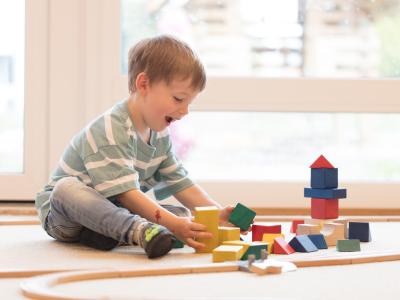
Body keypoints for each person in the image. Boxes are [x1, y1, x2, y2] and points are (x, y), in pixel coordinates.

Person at [35, 35, 247, 259]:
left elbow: (181, 183)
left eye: (189, 103)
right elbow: (127, 195)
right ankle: (138, 231)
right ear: (143, 84)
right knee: (66, 188)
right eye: (178, 99)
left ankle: (109, 233)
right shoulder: (110, 129)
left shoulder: (160, 136)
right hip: (67, 217)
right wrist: (174, 225)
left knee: (181, 214)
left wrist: (215, 215)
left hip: (115, 212)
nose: (185, 111)